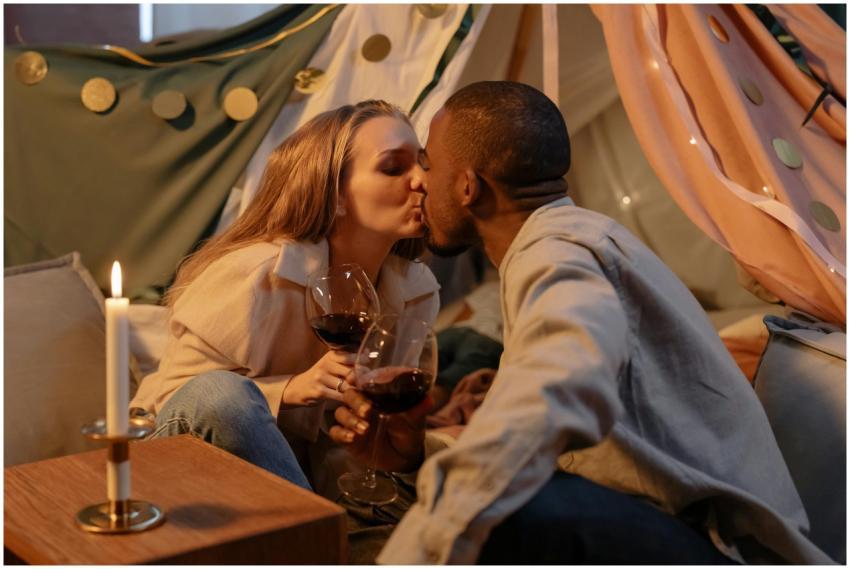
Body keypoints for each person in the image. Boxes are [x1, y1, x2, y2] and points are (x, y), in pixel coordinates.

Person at [329, 81, 830, 564]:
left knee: (507, 507)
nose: (418, 180)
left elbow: (562, 366)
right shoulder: (571, 237)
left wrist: (430, 533)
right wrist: (418, 455)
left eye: (427, 163)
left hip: (720, 548)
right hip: (675, 528)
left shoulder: (557, 252)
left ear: (467, 186)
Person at [129, 100, 440, 496]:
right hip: (173, 463)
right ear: (335, 195)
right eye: (394, 167)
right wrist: (289, 390)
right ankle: (317, 542)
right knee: (223, 394)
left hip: (292, 487)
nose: (422, 181)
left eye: (423, 164)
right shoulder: (256, 276)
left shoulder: (416, 291)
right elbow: (174, 404)